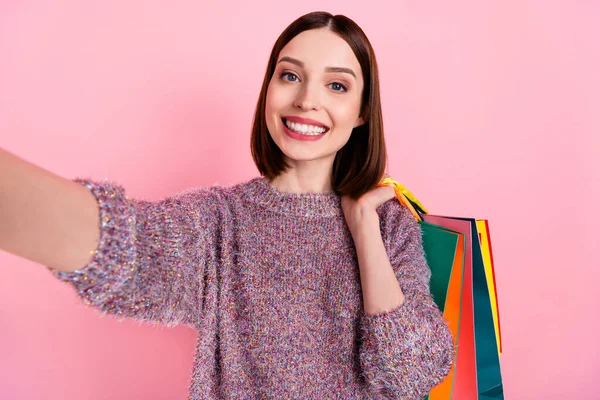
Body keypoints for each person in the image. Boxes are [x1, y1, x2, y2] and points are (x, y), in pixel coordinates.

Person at [0, 11, 454, 400]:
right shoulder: (220, 223)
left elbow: (411, 375)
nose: (307, 100)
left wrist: (363, 230)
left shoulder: (387, 225)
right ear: (269, 89)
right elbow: (122, 247)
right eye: (290, 75)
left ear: (361, 111)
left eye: (337, 85)